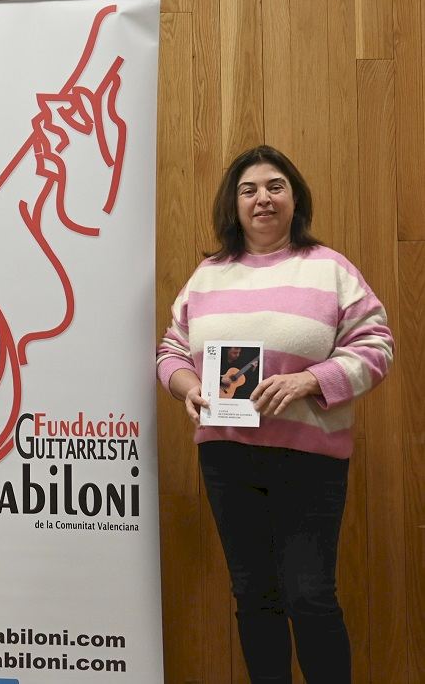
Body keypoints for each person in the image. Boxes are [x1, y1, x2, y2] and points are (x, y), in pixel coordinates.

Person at [157, 145, 393, 683]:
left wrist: (312, 380)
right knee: (253, 595)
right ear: (234, 204)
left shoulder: (331, 270)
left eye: (275, 186)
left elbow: (377, 345)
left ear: (295, 199)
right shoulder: (206, 276)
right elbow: (171, 350)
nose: (262, 198)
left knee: (310, 596)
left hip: (309, 461)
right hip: (227, 459)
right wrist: (188, 387)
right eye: (249, 189)